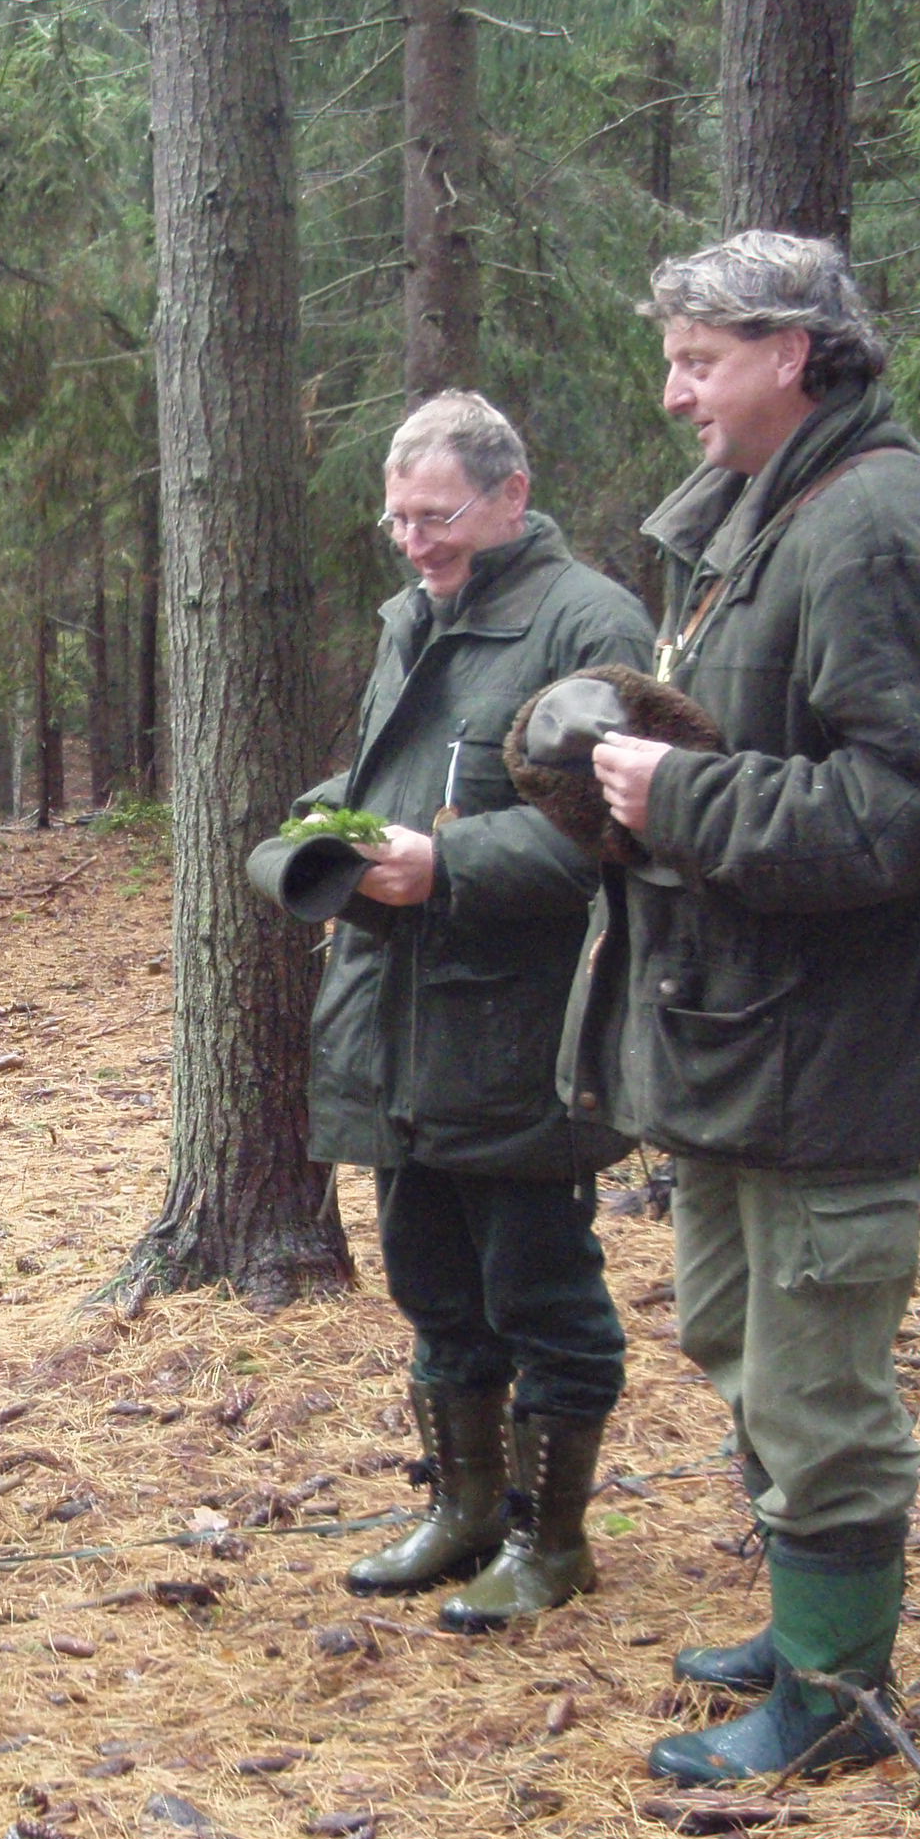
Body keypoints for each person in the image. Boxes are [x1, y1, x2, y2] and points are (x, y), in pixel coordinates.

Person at [568, 233, 920, 1783]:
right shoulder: (773, 517)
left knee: (818, 1381)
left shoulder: (876, 528)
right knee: (737, 1335)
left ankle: (835, 1702)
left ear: (796, 355)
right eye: (673, 356)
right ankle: (809, 1617)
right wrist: (632, 790)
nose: (676, 391)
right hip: (747, 1037)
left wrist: (685, 795)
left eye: (702, 358)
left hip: (836, 1048)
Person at [264, 391, 651, 1628]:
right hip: (397, 1021)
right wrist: (325, 820)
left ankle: (553, 1541)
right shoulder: (414, 618)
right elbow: (406, 777)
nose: (416, 541)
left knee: (544, 1291)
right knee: (432, 1283)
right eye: (398, 520)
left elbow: (609, 842)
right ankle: (465, 1509)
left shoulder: (590, 622)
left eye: (436, 516)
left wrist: (449, 863)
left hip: (521, 1032)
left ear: (511, 497)